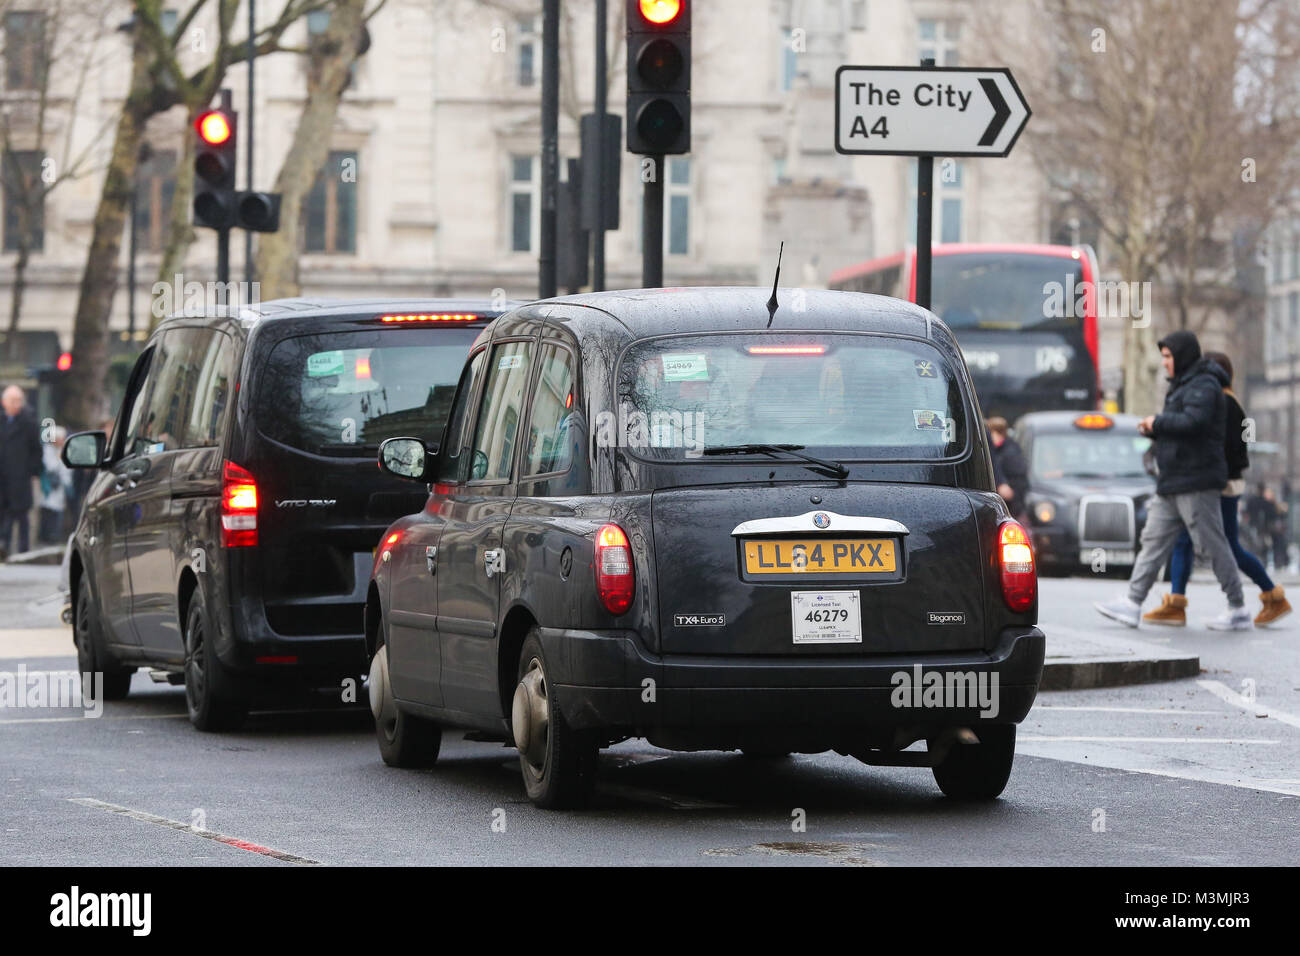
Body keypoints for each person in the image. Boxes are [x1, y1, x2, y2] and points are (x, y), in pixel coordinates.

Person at [1094, 331, 1251, 630]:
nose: (1164, 362)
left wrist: (1158, 422)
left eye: (1168, 357)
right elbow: (1183, 426)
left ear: (1183, 356)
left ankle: (1238, 607)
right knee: (1152, 541)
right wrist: (1154, 429)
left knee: (1213, 545)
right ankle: (1132, 603)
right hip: (1175, 479)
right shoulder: (1184, 384)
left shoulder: (1204, 384)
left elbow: (1195, 423)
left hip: (1196, 480)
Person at [1142, 352, 1290, 627]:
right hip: (1217, 483)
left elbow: (1224, 448)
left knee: (1224, 545)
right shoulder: (1225, 400)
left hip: (1219, 485)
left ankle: (1269, 596)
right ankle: (1177, 601)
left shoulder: (1221, 401)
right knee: (1189, 540)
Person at [0, 384, 43, 558]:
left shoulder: (28, 422)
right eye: (13, 400)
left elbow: (36, 450)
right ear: (4, 402)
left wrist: (31, 471)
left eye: (19, 400)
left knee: (21, 515)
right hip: (3, 477)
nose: (16, 404)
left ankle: (24, 550)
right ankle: (4, 546)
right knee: (4, 514)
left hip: (20, 477)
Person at [987, 416, 1029, 520]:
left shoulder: (1010, 453)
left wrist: (1007, 488)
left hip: (1012, 506)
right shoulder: (1006, 449)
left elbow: (1017, 479)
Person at [38, 426, 73, 545]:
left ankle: (55, 536)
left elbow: (67, 470)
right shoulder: (47, 450)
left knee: (58, 513)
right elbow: (51, 467)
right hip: (49, 488)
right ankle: (47, 538)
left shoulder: (62, 450)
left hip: (60, 489)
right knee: (48, 512)